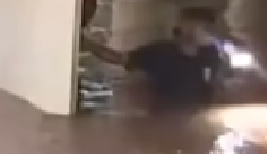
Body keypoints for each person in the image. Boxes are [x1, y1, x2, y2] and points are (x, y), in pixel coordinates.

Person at [81, 6, 229, 109]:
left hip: (197, 114)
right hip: (166, 112)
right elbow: (119, 58)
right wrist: (89, 45)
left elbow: (217, 87)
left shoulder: (212, 54)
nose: (210, 34)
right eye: (204, 28)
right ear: (186, 28)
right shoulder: (160, 52)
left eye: (210, 29)